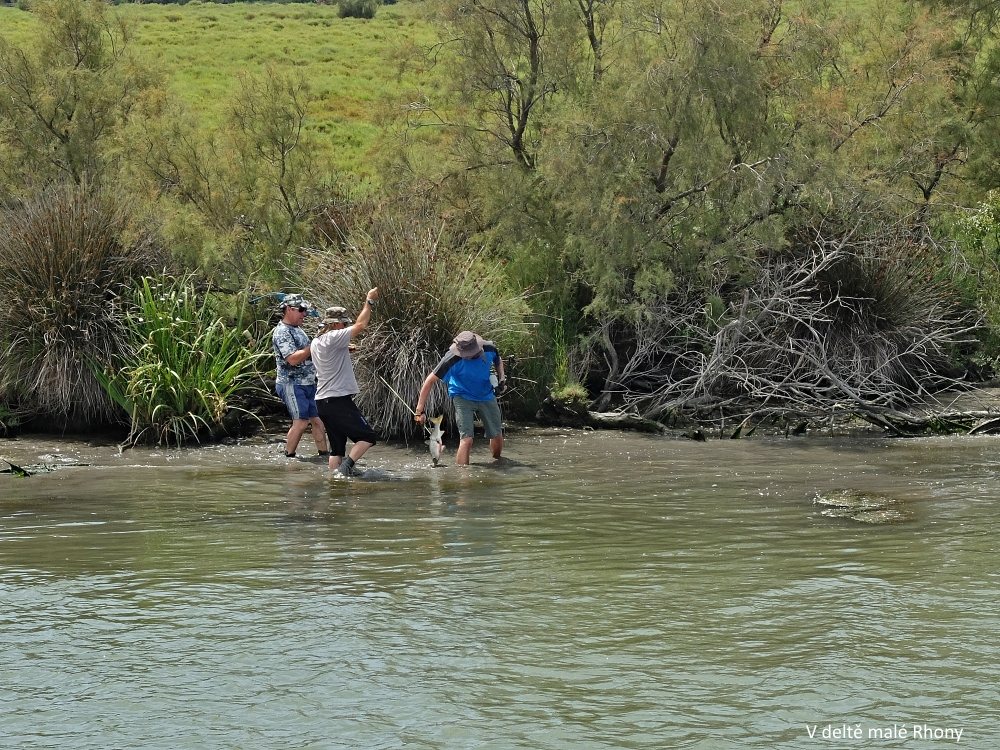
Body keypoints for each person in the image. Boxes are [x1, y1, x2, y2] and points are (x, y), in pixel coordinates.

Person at [311, 288, 381, 477]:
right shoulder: (334, 336)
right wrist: (369, 301)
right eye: (342, 324)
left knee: (337, 449)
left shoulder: (317, 341)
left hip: (322, 402)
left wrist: (345, 349)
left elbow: (330, 352)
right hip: (337, 400)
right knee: (368, 437)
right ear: (335, 324)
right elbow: (361, 325)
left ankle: (335, 483)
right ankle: (345, 469)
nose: (344, 327)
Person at [415, 330, 506, 465]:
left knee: (497, 435)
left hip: (486, 395)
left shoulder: (489, 348)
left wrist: (502, 378)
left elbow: (498, 361)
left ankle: (498, 464)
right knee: (467, 439)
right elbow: (429, 381)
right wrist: (419, 410)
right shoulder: (451, 359)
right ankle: (462, 478)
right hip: (462, 396)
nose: (469, 356)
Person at [271, 293, 328, 459]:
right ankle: (289, 458)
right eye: (301, 310)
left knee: (317, 421)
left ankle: (324, 456)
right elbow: (293, 359)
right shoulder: (282, 332)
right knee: (301, 422)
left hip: (309, 383)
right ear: (289, 309)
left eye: (305, 310)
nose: (304, 314)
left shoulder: (298, 329)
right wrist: (315, 343)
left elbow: (308, 352)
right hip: (292, 384)